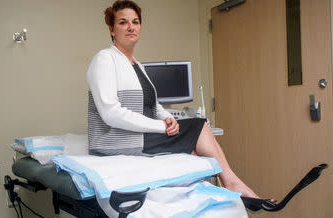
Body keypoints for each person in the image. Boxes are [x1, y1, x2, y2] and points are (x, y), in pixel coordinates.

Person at [87, 0, 258, 198]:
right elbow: (111, 114)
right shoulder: (105, 59)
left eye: (135, 22)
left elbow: (153, 104)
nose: (131, 27)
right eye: (123, 22)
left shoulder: (137, 65)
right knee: (199, 126)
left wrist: (169, 119)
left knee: (192, 152)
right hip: (116, 141)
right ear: (111, 29)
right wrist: (161, 127)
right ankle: (232, 183)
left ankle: (213, 198)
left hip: (140, 136)